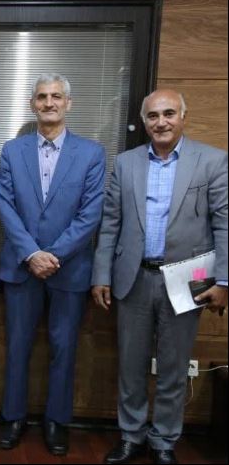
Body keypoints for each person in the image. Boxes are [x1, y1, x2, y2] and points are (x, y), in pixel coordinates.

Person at [92, 89, 227, 465]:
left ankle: (164, 440)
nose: (161, 122)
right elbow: (110, 224)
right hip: (133, 278)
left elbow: (225, 224)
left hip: (187, 281)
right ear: (144, 121)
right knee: (130, 366)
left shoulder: (212, 161)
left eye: (169, 113)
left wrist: (224, 282)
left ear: (184, 116)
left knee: (173, 367)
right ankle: (131, 436)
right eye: (153, 116)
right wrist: (101, 275)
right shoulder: (126, 163)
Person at [0, 73, 106, 456]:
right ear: (32, 105)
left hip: (69, 269)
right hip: (22, 267)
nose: (49, 103)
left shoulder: (91, 153)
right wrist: (31, 253)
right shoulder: (12, 150)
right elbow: (5, 204)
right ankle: (13, 417)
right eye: (42, 97)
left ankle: (56, 420)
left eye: (56, 96)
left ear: (68, 103)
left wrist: (53, 255)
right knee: (17, 346)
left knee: (64, 348)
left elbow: (90, 214)